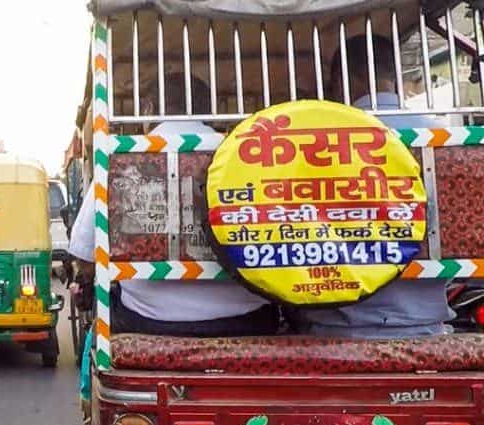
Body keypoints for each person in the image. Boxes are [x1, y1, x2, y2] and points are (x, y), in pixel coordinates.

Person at [70, 74, 278, 337]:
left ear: (148, 109)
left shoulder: (120, 157)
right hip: (250, 319)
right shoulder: (246, 155)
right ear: (209, 110)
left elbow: (85, 254)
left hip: (147, 319)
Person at [296, 35, 453, 338]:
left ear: (341, 82)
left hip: (335, 328)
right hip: (425, 321)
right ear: (395, 75)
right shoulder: (441, 135)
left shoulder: (318, 140)